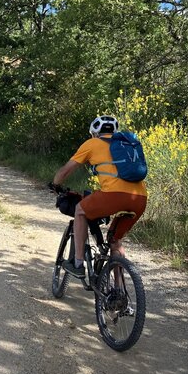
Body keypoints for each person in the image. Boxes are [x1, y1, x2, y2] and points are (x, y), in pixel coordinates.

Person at [51, 115, 147, 278]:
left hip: (114, 196)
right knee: (115, 241)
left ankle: (78, 264)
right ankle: (118, 292)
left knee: (80, 210)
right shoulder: (127, 144)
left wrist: (55, 184)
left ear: (94, 133)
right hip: (140, 199)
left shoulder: (92, 143)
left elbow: (66, 170)